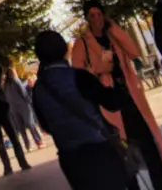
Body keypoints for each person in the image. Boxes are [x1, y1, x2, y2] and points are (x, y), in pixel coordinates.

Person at [72, 0, 162, 190]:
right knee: (124, 155)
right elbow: (79, 75)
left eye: (99, 14)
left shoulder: (113, 35)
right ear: (87, 19)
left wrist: (114, 28)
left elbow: (134, 52)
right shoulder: (82, 43)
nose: (97, 19)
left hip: (130, 97)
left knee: (150, 149)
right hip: (109, 103)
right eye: (92, 15)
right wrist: (100, 69)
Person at [32, 30, 131, 190]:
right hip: (99, 152)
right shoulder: (79, 77)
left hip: (70, 159)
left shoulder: (38, 88)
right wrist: (118, 81)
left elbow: (45, 125)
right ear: (64, 49)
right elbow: (113, 103)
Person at [3, 67, 43, 150]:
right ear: (13, 73)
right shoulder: (16, 81)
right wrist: (30, 101)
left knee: (21, 128)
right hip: (23, 106)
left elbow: (6, 98)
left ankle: (27, 145)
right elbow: (23, 92)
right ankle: (38, 142)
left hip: (13, 109)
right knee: (30, 124)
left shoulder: (5, 85)